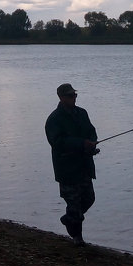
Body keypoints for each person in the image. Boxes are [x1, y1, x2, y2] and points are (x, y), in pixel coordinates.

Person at [44, 82, 99, 246]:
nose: (73, 98)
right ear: (61, 97)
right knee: (74, 203)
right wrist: (82, 144)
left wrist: (91, 143)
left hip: (84, 166)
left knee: (89, 199)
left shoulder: (82, 113)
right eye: (69, 95)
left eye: (74, 95)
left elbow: (91, 131)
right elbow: (58, 142)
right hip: (67, 169)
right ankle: (78, 238)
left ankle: (69, 219)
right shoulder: (54, 119)